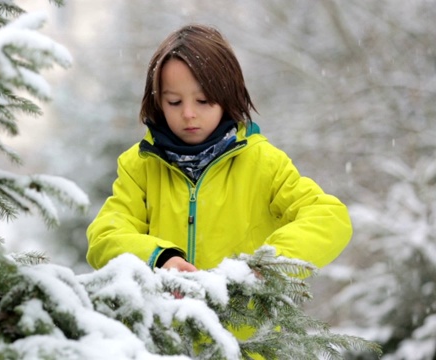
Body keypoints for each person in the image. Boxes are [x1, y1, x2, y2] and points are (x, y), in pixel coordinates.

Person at [86, 24, 351, 277]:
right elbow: (105, 237)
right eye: (174, 102)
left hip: (242, 324)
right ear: (158, 102)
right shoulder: (140, 166)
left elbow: (330, 218)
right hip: (164, 323)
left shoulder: (264, 163)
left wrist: (269, 264)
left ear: (227, 98)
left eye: (203, 101)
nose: (188, 114)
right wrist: (160, 258)